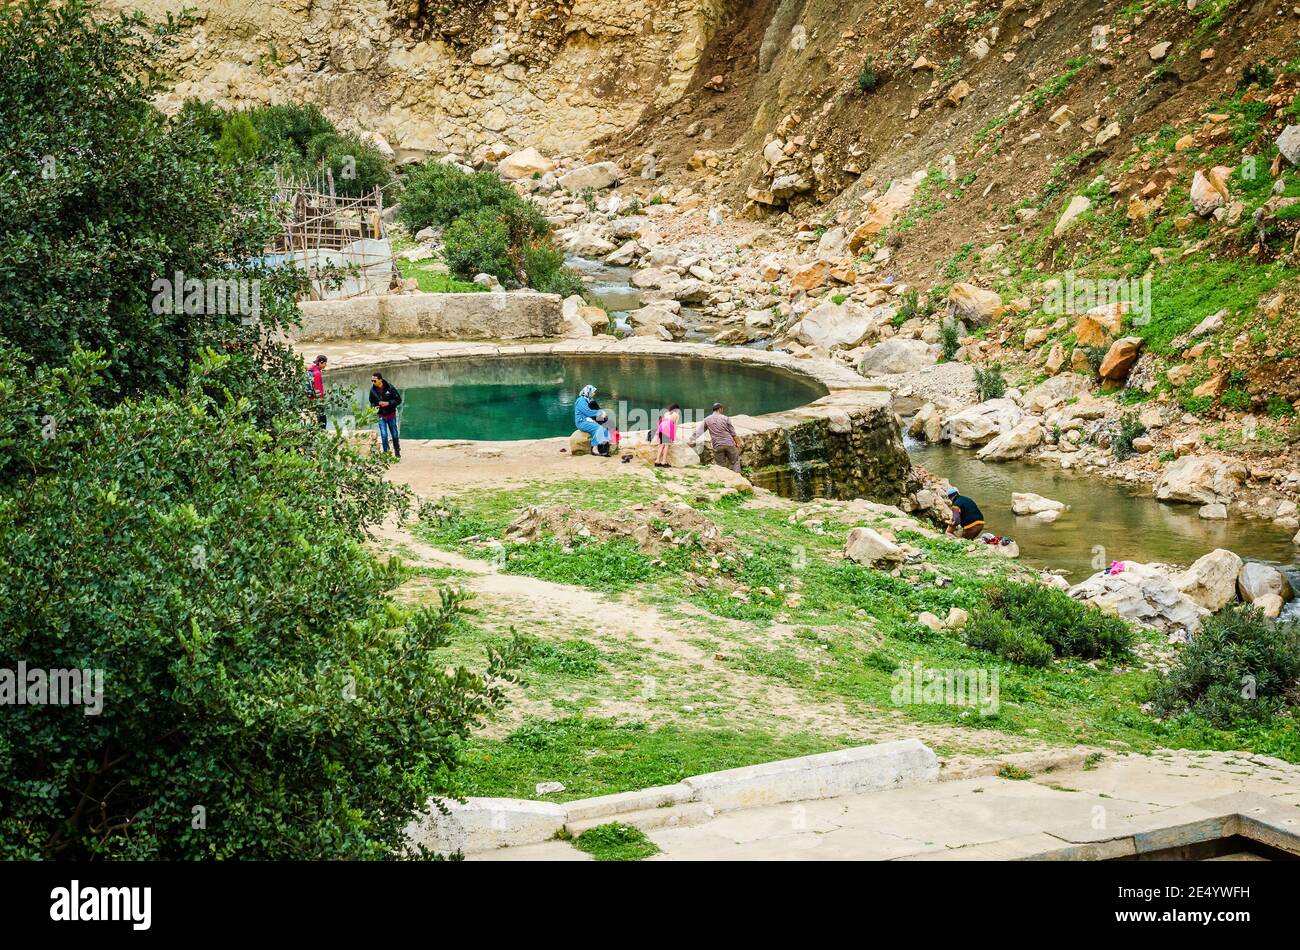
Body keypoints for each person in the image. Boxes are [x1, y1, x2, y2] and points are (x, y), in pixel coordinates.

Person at [689, 402, 742, 473]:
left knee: (720, 465)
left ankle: (722, 480)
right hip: (729, 443)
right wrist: (738, 443)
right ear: (720, 409)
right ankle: (738, 478)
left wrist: (691, 439)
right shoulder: (726, 418)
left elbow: (699, 431)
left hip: (717, 445)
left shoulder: (707, 419)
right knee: (735, 462)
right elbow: (733, 434)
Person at [368, 372, 403, 459]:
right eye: (371, 381)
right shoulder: (372, 391)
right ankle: (386, 454)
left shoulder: (390, 388)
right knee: (384, 435)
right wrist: (375, 406)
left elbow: (398, 400)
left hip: (391, 415)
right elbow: (371, 402)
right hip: (381, 415)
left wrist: (388, 403)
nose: (373, 382)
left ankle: (397, 450)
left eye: (374, 381)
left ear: (380, 380)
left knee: (394, 434)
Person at [574, 384, 612, 456]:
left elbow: (593, 410)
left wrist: (603, 414)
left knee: (604, 426)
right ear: (588, 392)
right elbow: (588, 412)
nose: (594, 393)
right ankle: (594, 449)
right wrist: (601, 412)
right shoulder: (581, 401)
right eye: (593, 392)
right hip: (582, 422)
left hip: (587, 420)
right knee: (599, 428)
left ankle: (605, 444)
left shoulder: (587, 400)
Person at [655, 404, 681, 468]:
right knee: (666, 445)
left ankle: (657, 461)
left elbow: (663, 421)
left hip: (662, 427)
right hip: (668, 428)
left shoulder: (666, 413)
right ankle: (663, 462)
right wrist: (673, 437)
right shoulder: (677, 415)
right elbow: (675, 426)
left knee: (661, 445)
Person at [308, 355, 328, 429]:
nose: (326, 365)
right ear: (321, 363)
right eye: (325, 363)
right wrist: (321, 400)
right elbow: (317, 388)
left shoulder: (312, 370)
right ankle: (322, 432)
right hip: (317, 400)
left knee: (317, 417)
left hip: (311, 398)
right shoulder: (317, 373)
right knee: (322, 419)